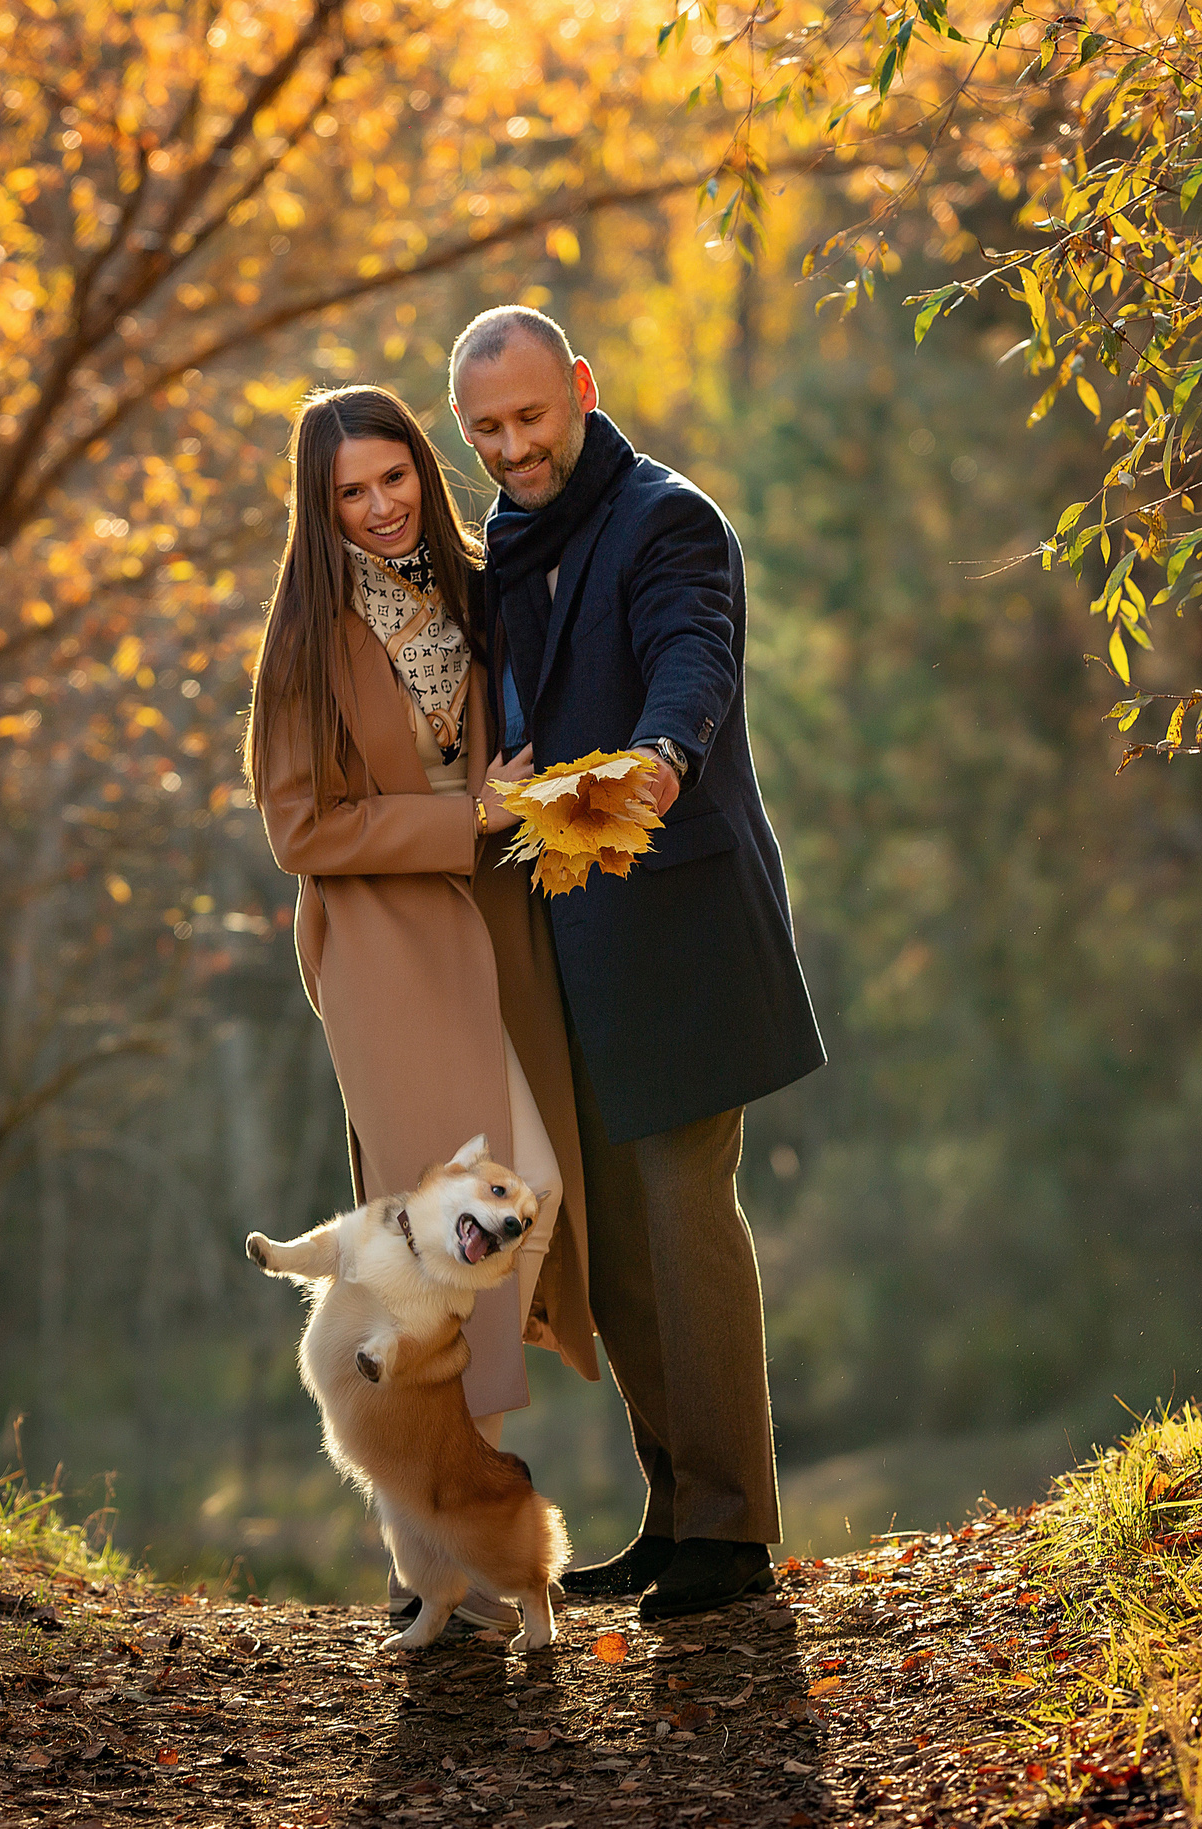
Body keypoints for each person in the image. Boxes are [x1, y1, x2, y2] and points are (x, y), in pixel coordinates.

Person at [449, 305, 826, 1623]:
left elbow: (691, 651)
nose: (512, 446)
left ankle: (733, 1526)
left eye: (531, 417)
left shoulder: (666, 520)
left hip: (678, 922)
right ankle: (673, 1509)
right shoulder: (503, 545)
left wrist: (664, 749)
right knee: (610, 1250)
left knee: (683, 1212)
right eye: (486, 429)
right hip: (567, 937)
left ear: (582, 390)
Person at [243, 383, 601, 1630]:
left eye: (395, 477)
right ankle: (438, 1550)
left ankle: (435, 1543)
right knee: (450, 1239)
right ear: (321, 503)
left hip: (495, 926)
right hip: (386, 946)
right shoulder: (304, 637)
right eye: (353, 491)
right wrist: (467, 817)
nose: (382, 506)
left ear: (422, 473)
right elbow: (299, 829)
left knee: (526, 1194)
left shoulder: (476, 580)